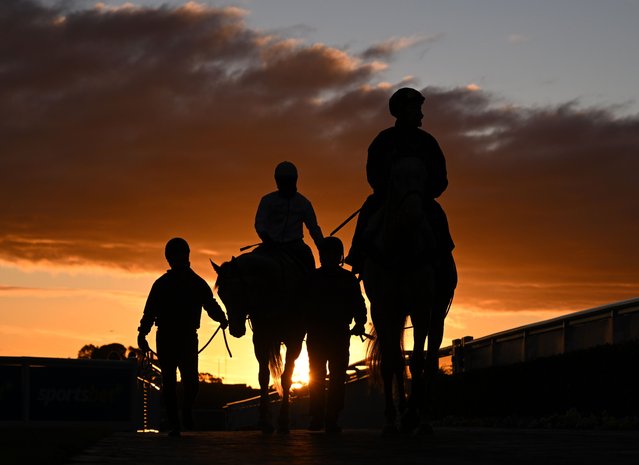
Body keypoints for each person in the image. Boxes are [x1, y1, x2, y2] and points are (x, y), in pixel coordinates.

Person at [345, 87, 455, 273]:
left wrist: (425, 194)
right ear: (401, 111)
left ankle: (446, 267)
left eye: (419, 108)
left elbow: (440, 176)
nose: (420, 113)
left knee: (437, 217)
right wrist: (387, 190)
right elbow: (373, 173)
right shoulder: (384, 140)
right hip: (388, 198)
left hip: (421, 199)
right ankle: (358, 256)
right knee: (368, 210)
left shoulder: (428, 142)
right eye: (415, 108)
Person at [137, 237, 228, 437]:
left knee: (191, 382)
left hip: (187, 338)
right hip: (166, 338)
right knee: (169, 382)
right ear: (169, 259)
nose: (177, 258)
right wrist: (142, 334)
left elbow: (210, 304)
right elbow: (149, 312)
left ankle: (186, 410)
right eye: (174, 255)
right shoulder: (161, 285)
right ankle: (175, 424)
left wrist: (221, 318)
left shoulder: (196, 283)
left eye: (180, 254)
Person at [304, 236, 367, 433]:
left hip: (317, 335)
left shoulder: (311, 278)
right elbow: (359, 305)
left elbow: (301, 306)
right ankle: (331, 418)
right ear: (340, 256)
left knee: (317, 375)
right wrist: (360, 323)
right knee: (336, 376)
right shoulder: (348, 279)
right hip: (338, 334)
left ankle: (317, 417)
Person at [254, 161, 324, 270]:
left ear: (295, 181)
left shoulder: (303, 203)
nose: (286, 185)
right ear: (277, 181)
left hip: (296, 247)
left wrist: (323, 248)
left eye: (289, 181)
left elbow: (313, 228)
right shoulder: (267, 201)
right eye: (283, 182)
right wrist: (266, 238)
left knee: (309, 261)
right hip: (270, 245)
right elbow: (260, 223)